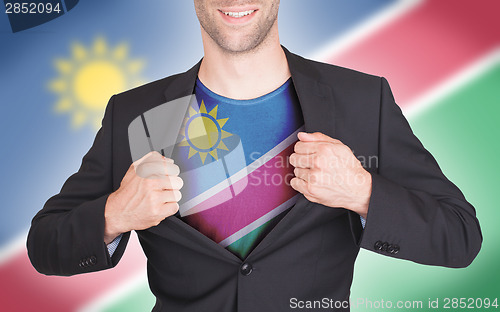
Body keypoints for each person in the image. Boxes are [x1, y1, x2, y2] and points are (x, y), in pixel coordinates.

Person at [27, 1, 482, 311]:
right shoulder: (135, 113)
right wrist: (114, 214)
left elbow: (460, 237)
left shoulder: (362, 100)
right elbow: (45, 245)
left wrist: (363, 192)